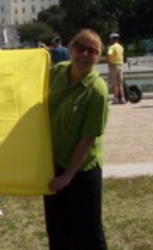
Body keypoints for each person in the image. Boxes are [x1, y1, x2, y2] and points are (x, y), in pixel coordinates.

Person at [44, 29, 109, 250]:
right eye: (80, 47)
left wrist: (67, 177)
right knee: (58, 232)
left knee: (90, 235)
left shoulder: (97, 90)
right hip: (54, 164)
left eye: (92, 51)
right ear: (71, 49)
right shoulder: (58, 72)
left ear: (98, 56)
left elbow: (87, 138)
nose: (84, 53)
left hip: (82, 170)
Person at [107, 33, 125, 104]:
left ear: (112, 39)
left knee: (115, 84)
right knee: (120, 84)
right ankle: (123, 98)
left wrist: (108, 62)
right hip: (120, 65)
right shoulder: (121, 47)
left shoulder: (111, 47)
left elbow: (109, 54)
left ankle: (116, 99)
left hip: (113, 65)